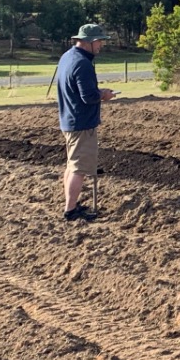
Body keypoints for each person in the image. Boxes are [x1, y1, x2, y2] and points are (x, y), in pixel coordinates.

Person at [56, 24, 117, 221]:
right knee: (79, 168)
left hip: (70, 119)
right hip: (81, 123)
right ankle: (71, 210)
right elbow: (88, 96)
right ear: (89, 42)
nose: (101, 45)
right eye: (99, 41)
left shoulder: (67, 56)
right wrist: (104, 94)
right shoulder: (83, 64)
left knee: (72, 165)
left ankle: (70, 204)